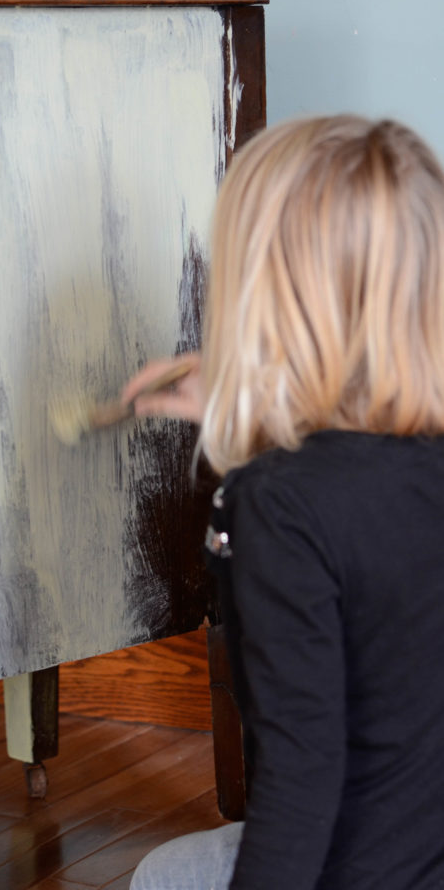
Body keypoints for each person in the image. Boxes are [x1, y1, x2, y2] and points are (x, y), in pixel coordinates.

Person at [121, 115, 444, 890]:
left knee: (163, 877)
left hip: (360, 866)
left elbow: (301, 783)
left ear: (258, 297)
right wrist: (253, 404)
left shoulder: (275, 507)